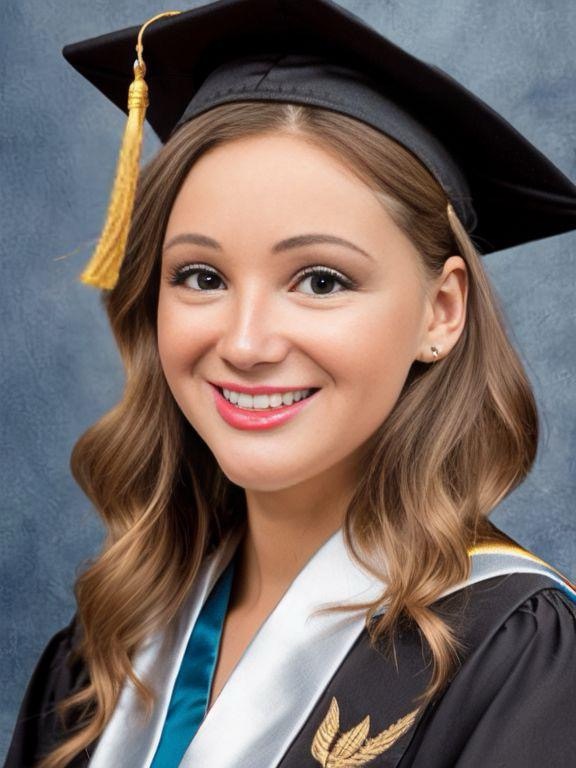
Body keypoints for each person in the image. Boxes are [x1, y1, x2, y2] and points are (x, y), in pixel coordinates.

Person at [4, 1, 576, 767]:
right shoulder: (107, 649)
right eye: (201, 276)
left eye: (321, 280)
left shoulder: (516, 661)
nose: (245, 344)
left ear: (441, 312)